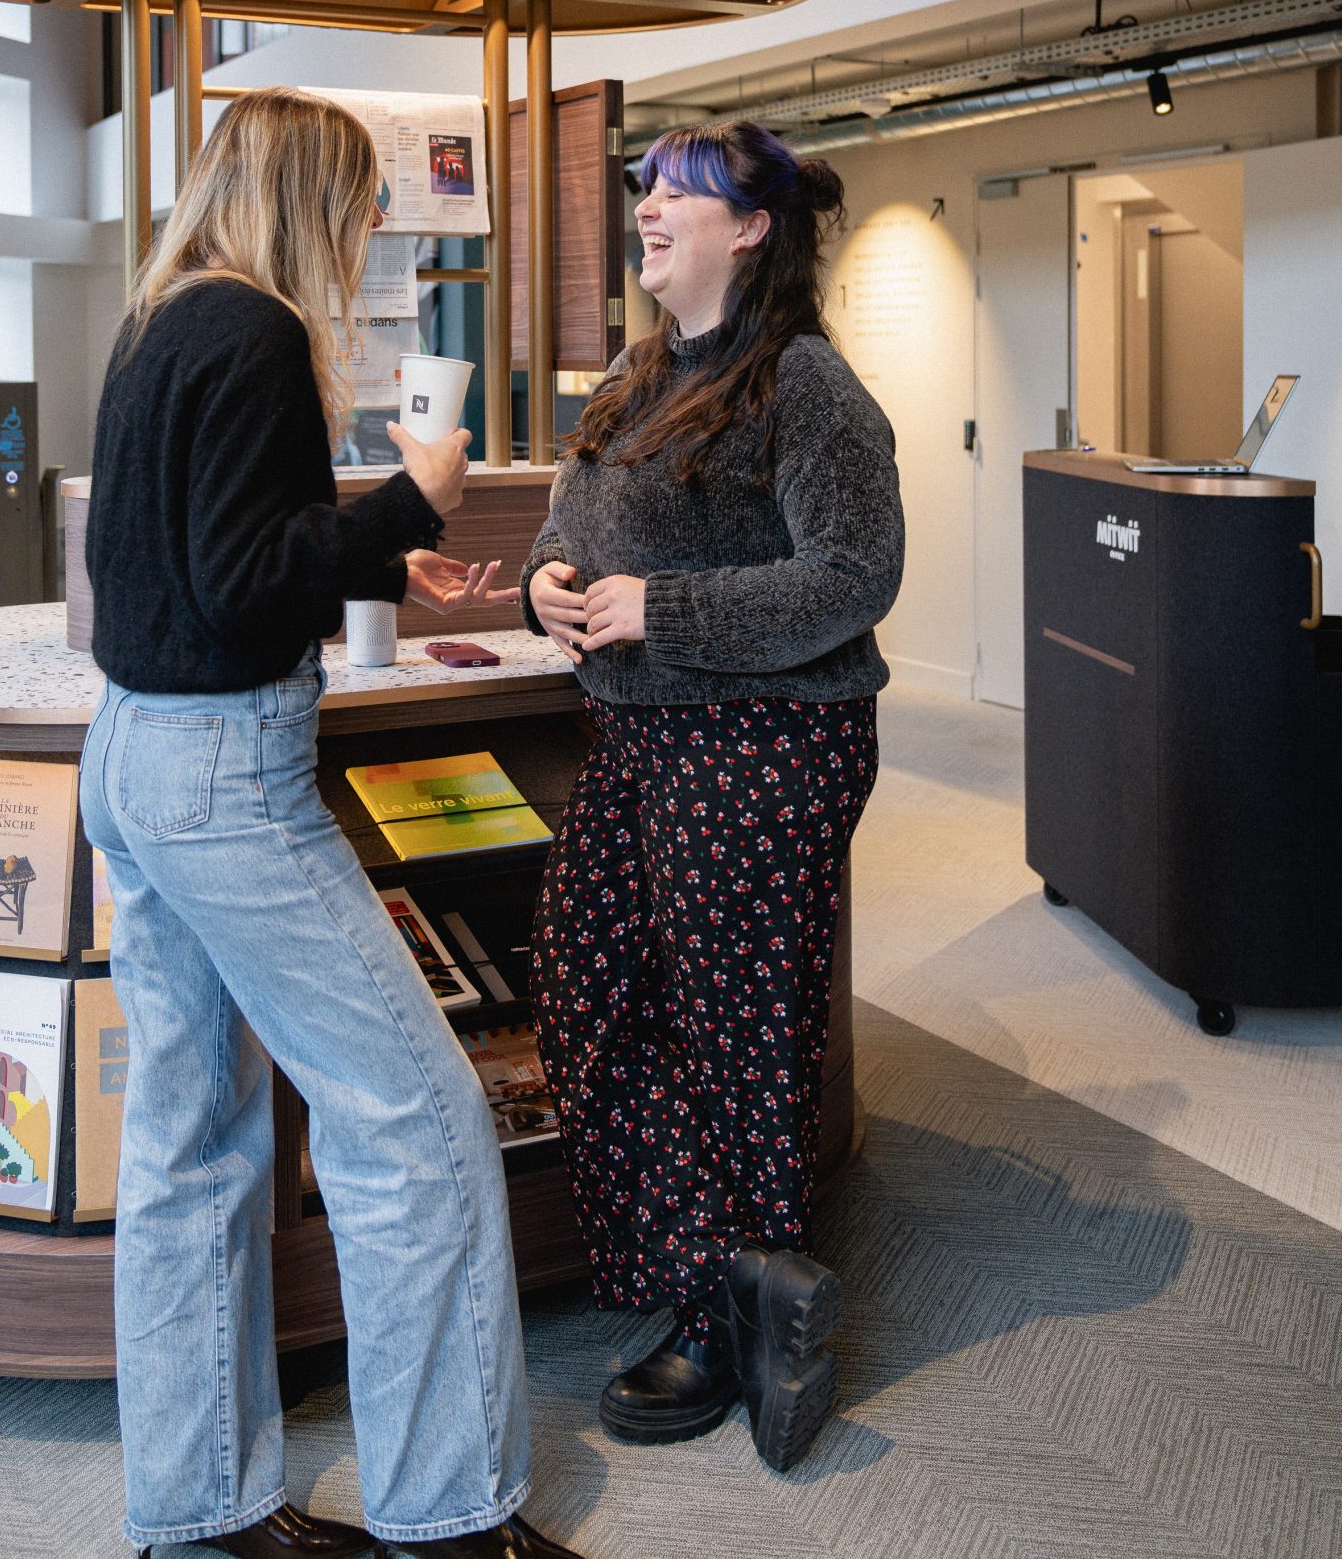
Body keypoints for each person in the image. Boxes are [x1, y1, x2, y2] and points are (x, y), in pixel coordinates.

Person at [81, 88, 585, 1559]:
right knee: (420, 1121)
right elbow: (246, 588)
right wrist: (416, 504)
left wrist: (357, 554)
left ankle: (201, 1514)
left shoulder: (165, 315)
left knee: (189, 1141)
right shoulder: (252, 332)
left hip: (138, 756)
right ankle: (452, 1520)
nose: (371, 236)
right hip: (227, 776)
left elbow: (191, 564)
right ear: (312, 197)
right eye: (363, 206)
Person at [522, 120, 903, 1477]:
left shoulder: (803, 384)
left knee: (737, 1032)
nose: (647, 208)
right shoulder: (635, 377)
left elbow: (857, 575)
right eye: (645, 191)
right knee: (581, 984)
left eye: (677, 191)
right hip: (641, 740)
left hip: (764, 743)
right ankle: (739, 1269)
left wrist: (660, 609)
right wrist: (546, 590)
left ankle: (721, 1321)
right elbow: (564, 531)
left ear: (751, 228)